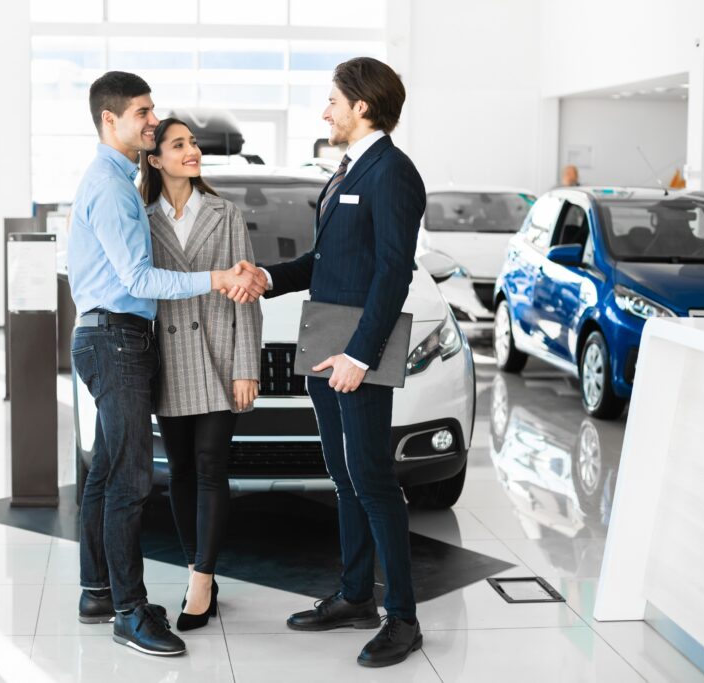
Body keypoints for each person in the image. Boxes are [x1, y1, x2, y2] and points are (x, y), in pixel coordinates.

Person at [232, 57, 426, 668]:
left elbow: (394, 270)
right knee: (344, 477)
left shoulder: (392, 172)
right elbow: (328, 259)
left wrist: (362, 356)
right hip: (325, 341)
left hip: (354, 350)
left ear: (361, 106)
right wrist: (268, 276)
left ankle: (402, 617)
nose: (326, 112)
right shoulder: (349, 170)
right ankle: (354, 597)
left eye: (333, 102)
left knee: (372, 480)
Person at [68, 71, 267, 657]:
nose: (152, 122)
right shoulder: (112, 187)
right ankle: (129, 611)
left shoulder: (116, 182)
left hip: (114, 334)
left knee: (107, 473)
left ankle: (98, 590)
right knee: (130, 479)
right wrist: (216, 278)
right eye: (143, 113)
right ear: (111, 120)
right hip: (117, 337)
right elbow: (136, 278)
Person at [139, 118, 263, 632]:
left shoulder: (225, 212)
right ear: (156, 160)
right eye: (179, 144)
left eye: (192, 143)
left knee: (211, 467)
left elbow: (247, 294)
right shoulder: (143, 218)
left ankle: (202, 581)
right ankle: (198, 573)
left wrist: (245, 366)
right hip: (170, 361)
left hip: (216, 357)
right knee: (181, 473)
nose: (192, 151)